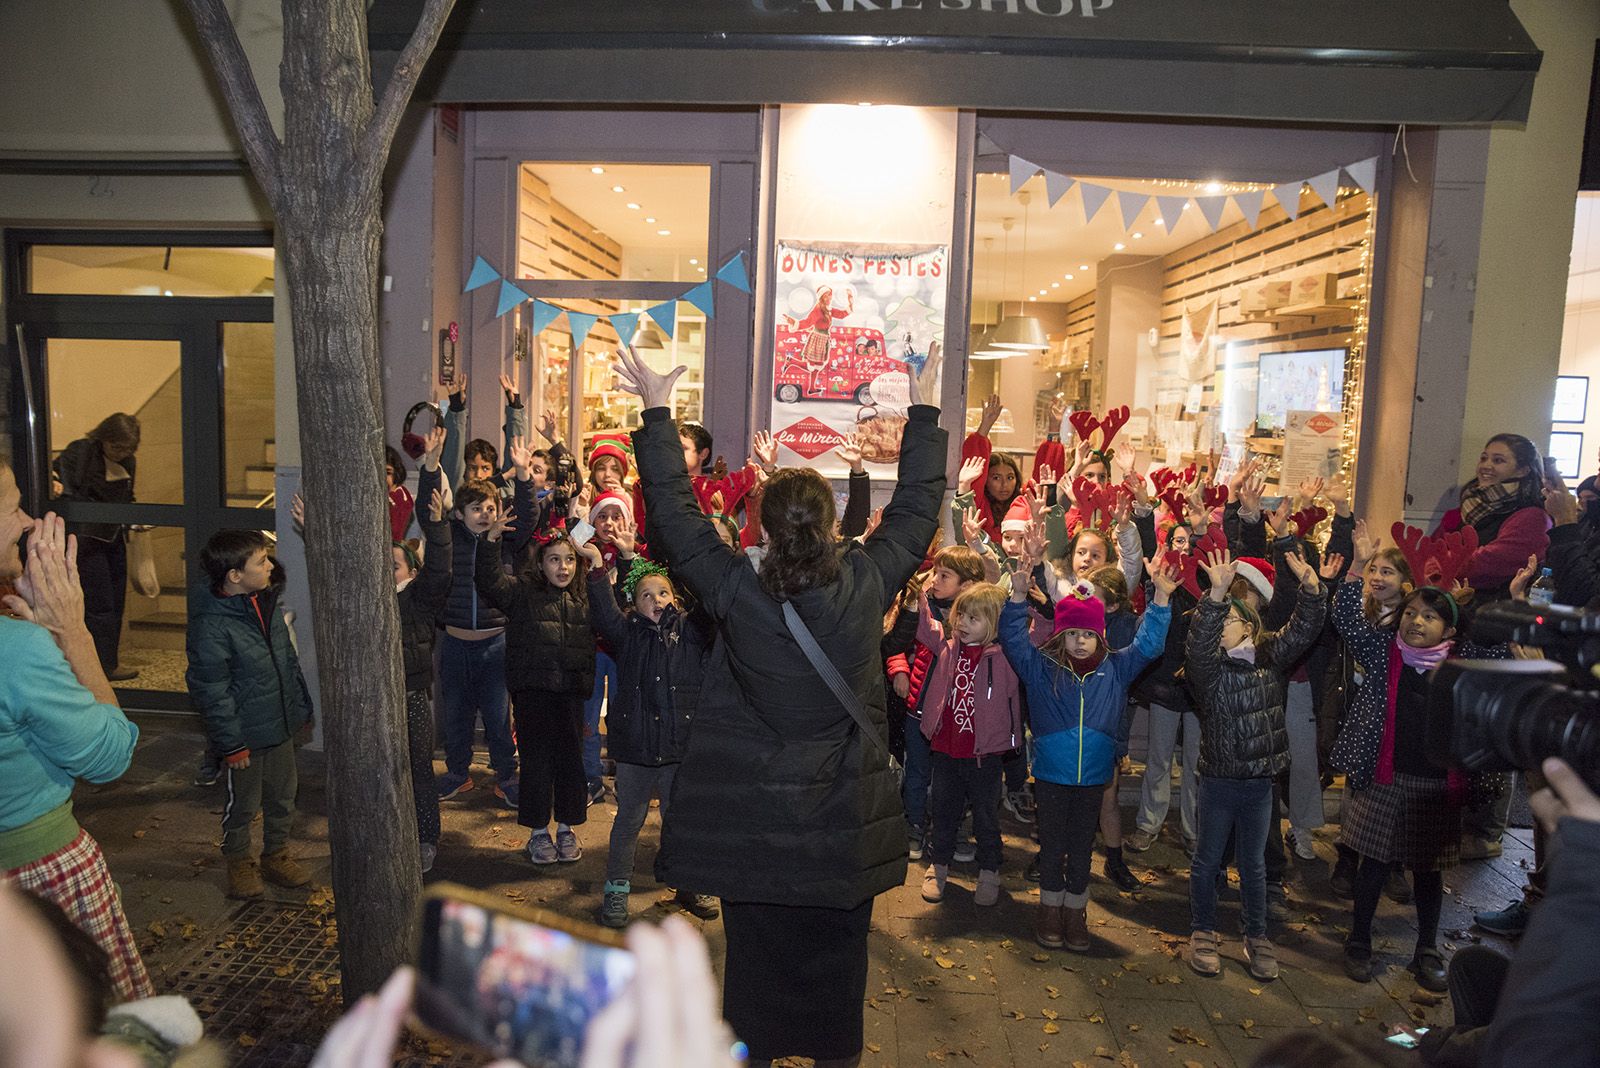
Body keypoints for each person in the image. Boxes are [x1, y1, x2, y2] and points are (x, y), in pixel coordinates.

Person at [617, 342, 945, 1068]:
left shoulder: (736, 588)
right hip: (840, 824)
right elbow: (919, 507)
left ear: (762, 524)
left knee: (755, 966)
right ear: (833, 524)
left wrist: (656, 410)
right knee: (839, 965)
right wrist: (921, 406)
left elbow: (672, 517)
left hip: (755, 821)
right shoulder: (866, 582)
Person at [0, 482, 152, 1001]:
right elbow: (109, 756)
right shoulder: (15, 651)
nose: (25, 522)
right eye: (12, 506)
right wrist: (72, 633)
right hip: (35, 882)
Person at [999, 525, 1174, 953]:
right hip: (1053, 777)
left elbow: (1149, 645)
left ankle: (1075, 911)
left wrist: (1162, 601)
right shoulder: (1041, 668)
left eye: (1088, 634)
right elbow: (1012, 641)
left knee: (1081, 849)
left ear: (1100, 635)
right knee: (1053, 843)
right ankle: (1048, 909)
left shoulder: (1115, 667)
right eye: (1072, 634)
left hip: (1094, 776)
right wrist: (1018, 599)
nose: (1080, 642)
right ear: (1061, 634)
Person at [1184, 547, 1326, 982]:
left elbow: (1303, 630)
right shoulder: (1210, 672)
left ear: (1249, 625)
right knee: (1208, 861)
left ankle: (1257, 935)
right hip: (1220, 781)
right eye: (1218, 621)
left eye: (1228, 619)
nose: (1219, 628)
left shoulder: (1269, 660)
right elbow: (1197, 648)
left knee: (1254, 864)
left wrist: (1312, 589)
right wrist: (1216, 597)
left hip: (1261, 782)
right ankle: (1203, 931)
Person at [582, 550, 718, 928]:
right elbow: (605, 613)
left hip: (678, 748)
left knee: (680, 822)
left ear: (674, 598)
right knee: (629, 821)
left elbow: (711, 603)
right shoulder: (626, 635)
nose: (656, 600)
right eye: (646, 594)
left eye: (663, 593)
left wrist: (706, 562)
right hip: (636, 751)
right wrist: (596, 569)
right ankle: (616, 889)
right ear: (634, 604)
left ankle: (688, 884)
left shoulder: (691, 632)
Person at [186, 529, 314, 899]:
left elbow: (286, 661)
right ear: (234, 576)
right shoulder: (212, 624)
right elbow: (211, 689)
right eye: (261, 560)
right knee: (242, 803)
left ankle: (276, 854)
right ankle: (239, 861)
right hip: (244, 734)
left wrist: (299, 708)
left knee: (283, 794)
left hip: (279, 722)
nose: (271, 564)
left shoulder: (265, 602)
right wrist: (231, 743)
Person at [475, 522, 596, 866]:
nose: (563, 567)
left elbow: (613, 611)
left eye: (569, 560)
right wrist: (489, 543)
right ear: (541, 563)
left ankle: (567, 828)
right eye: (555, 560)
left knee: (570, 763)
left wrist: (597, 561)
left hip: (571, 692)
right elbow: (490, 583)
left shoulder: (585, 595)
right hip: (533, 694)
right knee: (536, 763)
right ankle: (538, 832)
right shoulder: (523, 592)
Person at [915, 582, 1020, 908]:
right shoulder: (947, 648)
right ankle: (939, 866)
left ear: (992, 623)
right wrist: (918, 592)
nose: (962, 623)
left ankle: (989, 869)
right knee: (943, 812)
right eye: (960, 615)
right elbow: (925, 624)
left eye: (973, 618)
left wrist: (1021, 595)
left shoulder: (1005, 658)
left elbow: (1032, 638)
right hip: (947, 751)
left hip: (984, 755)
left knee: (987, 817)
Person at [884, 544, 988, 859]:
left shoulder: (979, 619)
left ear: (967, 585)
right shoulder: (923, 606)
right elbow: (897, 642)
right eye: (936, 573)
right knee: (917, 771)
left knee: (955, 778)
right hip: (919, 707)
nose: (936, 581)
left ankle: (952, 830)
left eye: (945, 576)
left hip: (960, 716)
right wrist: (899, 670)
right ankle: (913, 824)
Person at [53, 412, 142, 681]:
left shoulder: (128, 461)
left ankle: (108, 663)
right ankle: (99, 667)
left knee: (116, 600)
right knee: (100, 604)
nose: (121, 453)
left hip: (113, 535)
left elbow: (128, 497)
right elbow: (64, 488)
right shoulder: (80, 453)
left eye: (127, 448)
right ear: (104, 438)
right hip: (86, 539)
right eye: (116, 446)